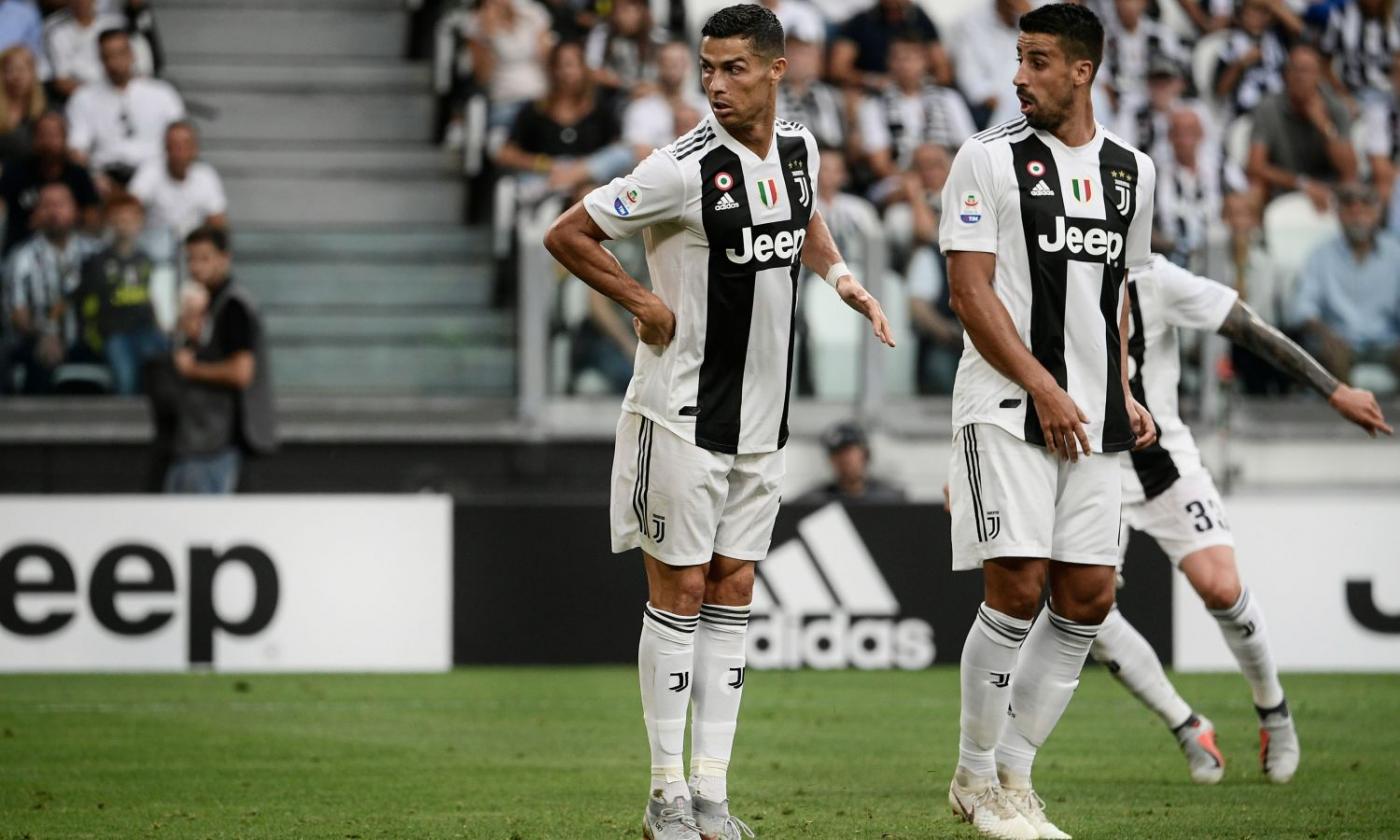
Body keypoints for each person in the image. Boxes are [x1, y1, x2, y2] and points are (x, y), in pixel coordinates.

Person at [543, 7, 894, 838]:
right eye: (708, 68)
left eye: (734, 68)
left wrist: (841, 275)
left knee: (734, 595)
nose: (715, 84)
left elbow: (802, 215)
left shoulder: (801, 146)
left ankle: (712, 795)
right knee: (682, 592)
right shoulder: (680, 167)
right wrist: (640, 301)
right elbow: (567, 232)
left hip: (765, 423)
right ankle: (664, 795)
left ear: (777, 70)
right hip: (685, 415)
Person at [939, 5, 1156, 838]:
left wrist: (1124, 386)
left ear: (1081, 71)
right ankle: (973, 778)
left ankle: (1017, 778)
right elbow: (969, 291)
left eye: (1035, 61)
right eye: (1017, 59)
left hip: (1095, 414)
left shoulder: (1131, 172)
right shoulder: (985, 157)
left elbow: (1117, 296)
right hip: (1003, 405)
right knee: (1019, 586)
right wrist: (1040, 384)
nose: (1018, 75)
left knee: (1088, 596)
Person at [1088, 252, 1391, 785]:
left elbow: (1247, 326)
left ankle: (1273, 711)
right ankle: (1187, 725)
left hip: (1164, 463)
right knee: (1087, 610)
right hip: (1091, 470)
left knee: (1222, 588)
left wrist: (1334, 390)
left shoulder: (1155, 280)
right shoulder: (1052, 271)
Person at [166, 225, 276, 493]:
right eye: (190, 258)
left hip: (217, 441)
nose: (195, 267)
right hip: (199, 436)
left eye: (204, 258)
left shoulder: (233, 306)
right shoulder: (207, 305)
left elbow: (241, 372)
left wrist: (192, 369)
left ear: (224, 258)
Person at [495, 40, 632, 202]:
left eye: (572, 65)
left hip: (587, 183)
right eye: (560, 66)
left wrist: (578, 171)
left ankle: (577, 176)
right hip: (544, 181)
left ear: (584, 69)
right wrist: (545, 164)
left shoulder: (600, 110)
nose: (567, 73)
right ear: (552, 70)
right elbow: (505, 153)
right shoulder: (535, 110)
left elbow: (616, 152)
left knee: (618, 159)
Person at [1288, 182, 1400, 380]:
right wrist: (1325, 334)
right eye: (1349, 206)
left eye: (1365, 205)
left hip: (1387, 342)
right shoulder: (1320, 255)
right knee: (1328, 355)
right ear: (1338, 214)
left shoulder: (1395, 254)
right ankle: (1343, 410)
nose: (1357, 213)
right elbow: (1301, 308)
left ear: (1377, 213)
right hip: (1339, 342)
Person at [2, 181, 100, 392]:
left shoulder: (94, 253)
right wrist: (44, 335)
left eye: (61, 204)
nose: (54, 211)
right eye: (47, 205)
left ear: (75, 210)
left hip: (89, 339)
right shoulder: (22, 257)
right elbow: (18, 315)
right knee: (38, 361)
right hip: (35, 340)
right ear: (36, 213)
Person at [1245, 43, 1359, 209]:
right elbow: (1255, 165)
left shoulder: (1336, 107)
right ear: (1286, 75)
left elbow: (1349, 170)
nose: (1300, 77)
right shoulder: (1268, 107)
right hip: (1286, 184)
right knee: (1255, 184)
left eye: (1307, 71)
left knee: (1352, 185)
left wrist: (1324, 126)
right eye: (1295, 70)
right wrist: (1303, 184)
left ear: (1319, 75)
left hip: (1330, 186)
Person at [65, 28, 183, 186]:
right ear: (100, 59)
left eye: (121, 53)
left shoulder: (162, 93)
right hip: (106, 176)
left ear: (132, 54)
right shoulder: (83, 98)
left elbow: (181, 140)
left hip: (156, 176)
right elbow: (77, 147)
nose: (115, 61)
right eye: (108, 56)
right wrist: (93, 177)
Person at [856, 32, 976, 184]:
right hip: (900, 180)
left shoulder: (949, 98)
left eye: (912, 57)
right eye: (898, 58)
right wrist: (919, 179)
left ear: (925, 61)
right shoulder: (873, 105)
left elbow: (968, 149)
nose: (905, 65)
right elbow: (880, 164)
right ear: (889, 62)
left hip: (949, 175)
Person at [75, 191, 163, 394]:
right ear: (109, 223)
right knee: (125, 380)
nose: (125, 225)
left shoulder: (148, 260)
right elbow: (85, 303)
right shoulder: (96, 262)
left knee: (157, 376)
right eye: (119, 219)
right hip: (114, 333)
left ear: (140, 222)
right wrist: (93, 336)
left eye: (130, 219)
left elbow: (156, 298)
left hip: (147, 331)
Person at [0, 110, 100, 256]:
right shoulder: (15, 172)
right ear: (33, 139)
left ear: (65, 139)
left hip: (71, 252)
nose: (48, 142)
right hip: (21, 251)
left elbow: (92, 219)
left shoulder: (78, 175)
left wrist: (61, 219)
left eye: (54, 136)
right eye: (42, 135)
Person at [1153, 106, 1244, 265]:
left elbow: (1245, 208)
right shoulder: (1155, 174)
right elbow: (1140, 226)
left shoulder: (1221, 169)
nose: (1184, 139)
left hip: (1217, 253)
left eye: (1190, 132)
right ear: (1169, 137)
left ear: (1201, 134)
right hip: (1169, 255)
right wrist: (1172, 245)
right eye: (1178, 133)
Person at [128, 120, 228, 244]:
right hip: (154, 246)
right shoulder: (150, 171)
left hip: (193, 247)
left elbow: (218, 221)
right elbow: (130, 207)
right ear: (165, 148)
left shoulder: (206, 176)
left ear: (195, 149)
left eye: (185, 145)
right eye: (174, 145)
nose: (179, 151)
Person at [830, 0, 951, 89]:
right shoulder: (861, 22)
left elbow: (943, 70)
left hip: (917, 91)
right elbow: (837, 69)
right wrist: (872, 81)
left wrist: (919, 82)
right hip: (872, 92)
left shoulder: (920, 20)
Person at [45, 0, 152, 99]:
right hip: (87, 98)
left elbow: (141, 65)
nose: (82, 2)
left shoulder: (117, 23)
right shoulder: (58, 33)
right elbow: (62, 82)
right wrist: (96, 97)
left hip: (127, 91)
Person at [1213, 0, 1298, 117]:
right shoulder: (1232, 44)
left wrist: (1272, 6)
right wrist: (1240, 64)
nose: (1257, 17)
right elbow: (1221, 91)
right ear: (1241, 14)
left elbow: (1301, 32)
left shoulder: (1278, 37)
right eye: (1253, 11)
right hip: (1248, 113)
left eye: (1263, 12)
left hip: (1280, 110)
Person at [622, 39, 706, 155]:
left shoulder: (705, 106)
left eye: (679, 61)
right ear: (658, 66)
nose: (673, 66)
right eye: (668, 61)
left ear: (689, 65)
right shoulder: (640, 109)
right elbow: (640, 154)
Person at [798, 421, 906, 504]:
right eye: (837, 453)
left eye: (848, 451)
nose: (844, 459)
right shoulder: (815, 500)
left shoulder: (890, 498)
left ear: (864, 454)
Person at [773, 32, 843, 151]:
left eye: (806, 54)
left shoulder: (832, 95)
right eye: (794, 54)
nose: (800, 61)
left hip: (829, 159)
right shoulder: (769, 96)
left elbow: (840, 139)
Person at [0, 45, 43, 161]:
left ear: (33, 73)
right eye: (10, 70)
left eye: (22, 69)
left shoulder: (46, 111)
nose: (17, 76)